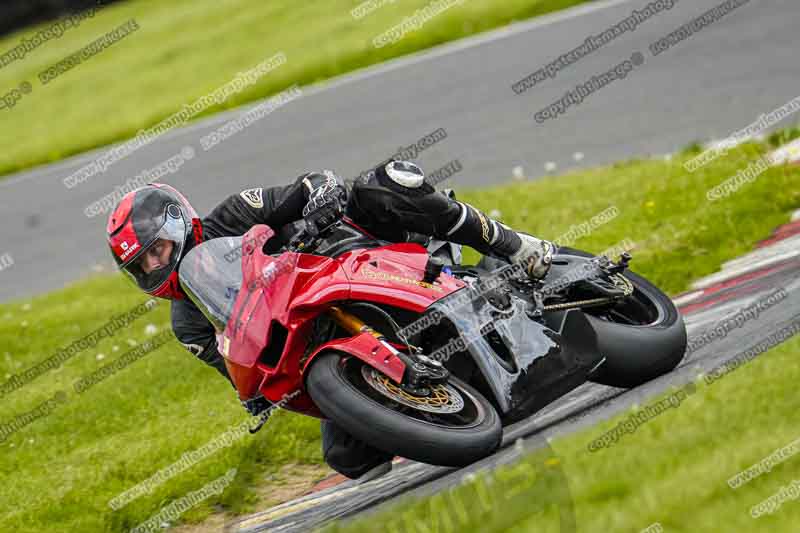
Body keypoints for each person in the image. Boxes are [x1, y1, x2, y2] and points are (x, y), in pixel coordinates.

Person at [105, 160, 553, 481]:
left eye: (157, 251)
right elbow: (239, 370)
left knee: (386, 183)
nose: (155, 267)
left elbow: (307, 185)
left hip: (356, 257)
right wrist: (258, 395)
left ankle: (513, 246)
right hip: (316, 329)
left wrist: (321, 195)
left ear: (179, 225)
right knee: (349, 457)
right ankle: (436, 402)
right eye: (142, 266)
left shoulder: (235, 213)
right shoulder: (189, 324)